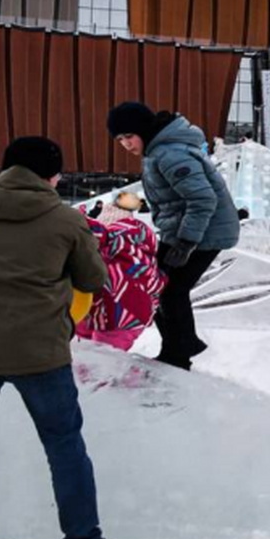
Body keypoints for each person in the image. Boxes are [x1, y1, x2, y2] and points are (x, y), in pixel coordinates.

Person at [0, 136, 134, 539]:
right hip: (39, 353)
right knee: (64, 446)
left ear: (5, 167)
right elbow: (92, 280)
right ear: (53, 176)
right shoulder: (65, 220)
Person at [107, 102, 240, 371]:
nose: (126, 144)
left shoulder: (169, 154)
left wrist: (186, 243)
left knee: (169, 290)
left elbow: (202, 199)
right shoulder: (160, 152)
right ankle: (183, 344)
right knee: (159, 287)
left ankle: (177, 355)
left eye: (129, 136)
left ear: (144, 131)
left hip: (204, 232)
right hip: (186, 229)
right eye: (119, 139)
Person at [78, 191, 166, 352]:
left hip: (118, 315)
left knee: (102, 359)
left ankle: (128, 377)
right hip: (130, 313)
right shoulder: (140, 251)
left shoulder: (112, 244)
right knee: (96, 355)